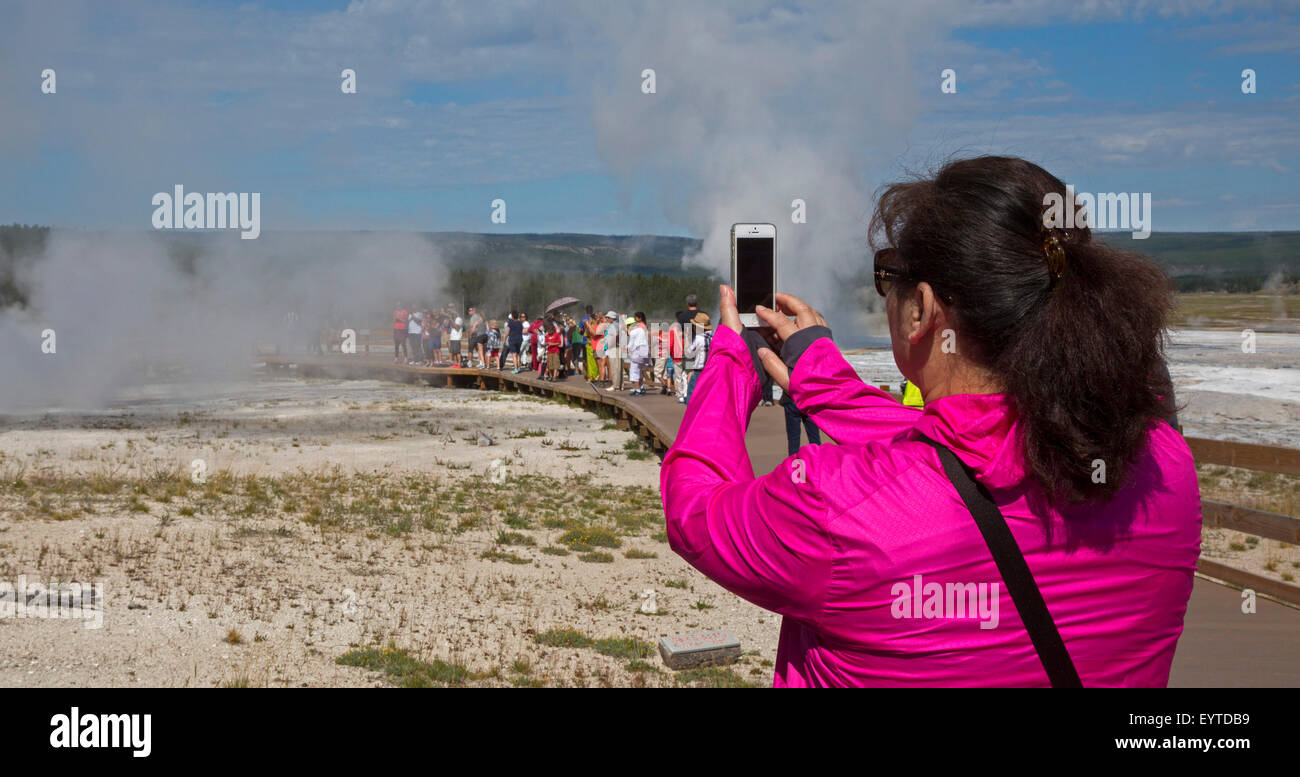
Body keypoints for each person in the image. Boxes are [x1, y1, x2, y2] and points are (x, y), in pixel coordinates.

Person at [660, 156, 1198, 687]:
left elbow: (696, 509)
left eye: (887, 275)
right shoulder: (1165, 468)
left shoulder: (834, 503)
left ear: (920, 309)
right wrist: (822, 376)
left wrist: (732, 362)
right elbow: (965, 448)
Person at [682, 311, 711, 403]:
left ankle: (691, 415)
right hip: (709, 370)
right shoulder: (712, 337)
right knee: (705, 396)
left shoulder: (699, 339)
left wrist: (687, 339)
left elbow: (689, 353)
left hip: (699, 371)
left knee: (691, 395)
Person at [626, 312, 650, 396]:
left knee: (634, 372)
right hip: (644, 353)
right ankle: (641, 387)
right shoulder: (643, 327)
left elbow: (631, 344)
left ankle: (637, 390)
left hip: (637, 354)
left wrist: (627, 349)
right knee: (639, 371)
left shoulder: (637, 330)